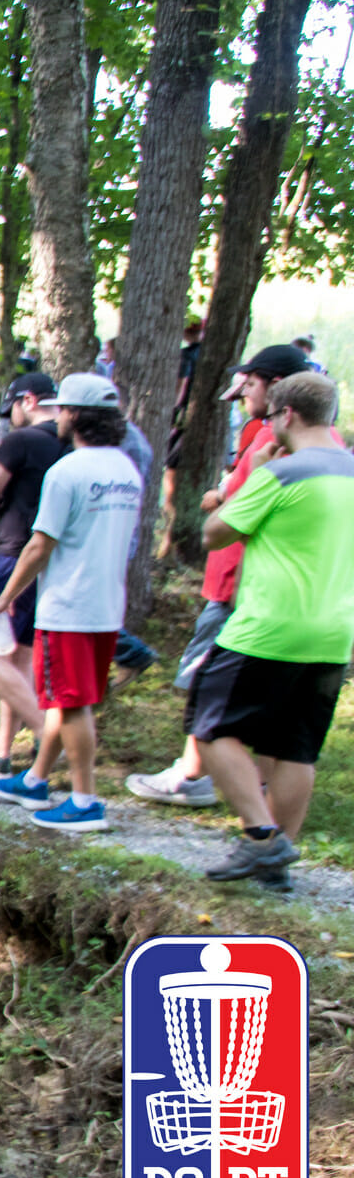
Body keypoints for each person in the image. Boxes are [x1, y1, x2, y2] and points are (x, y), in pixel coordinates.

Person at [127, 344, 314, 809]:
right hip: (286, 593)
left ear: (272, 385)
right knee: (274, 704)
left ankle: (191, 777)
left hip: (235, 581)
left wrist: (217, 499)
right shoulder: (311, 445)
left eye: (248, 383)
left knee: (205, 680)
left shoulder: (267, 442)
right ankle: (261, 790)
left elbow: (237, 513)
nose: (244, 393)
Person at [188, 371, 352, 889]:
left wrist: (251, 472)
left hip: (267, 628)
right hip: (333, 633)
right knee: (294, 747)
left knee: (210, 727)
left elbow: (214, 534)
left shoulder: (281, 474)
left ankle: (262, 837)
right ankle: (277, 865)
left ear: (286, 416)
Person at [0, 375, 143, 831]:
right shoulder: (125, 470)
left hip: (68, 604)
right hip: (107, 603)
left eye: (63, 409)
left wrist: (5, 597)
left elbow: (38, 545)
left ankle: (85, 798)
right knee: (66, 699)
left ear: (74, 415)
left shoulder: (68, 471)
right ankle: (35, 780)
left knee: (71, 704)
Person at [0, 373, 65, 778]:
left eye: (13, 411)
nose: (13, 419)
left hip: (12, 556)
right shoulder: (72, 443)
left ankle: (47, 735)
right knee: (16, 659)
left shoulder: (20, 441)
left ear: (28, 400)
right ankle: (1, 750)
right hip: (51, 560)